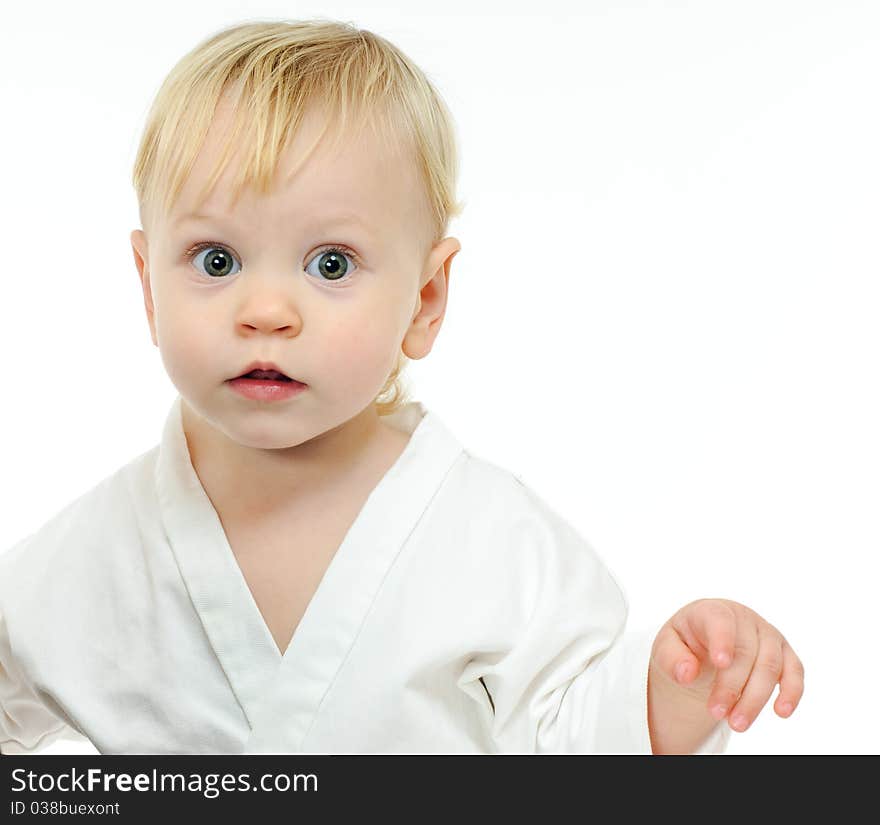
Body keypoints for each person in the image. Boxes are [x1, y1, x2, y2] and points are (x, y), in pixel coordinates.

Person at [0, 19, 803, 756]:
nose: (267, 312)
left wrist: (671, 694)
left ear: (424, 300)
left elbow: (574, 731)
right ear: (148, 287)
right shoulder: (90, 555)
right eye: (216, 260)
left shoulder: (490, 537)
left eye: (331, 264)